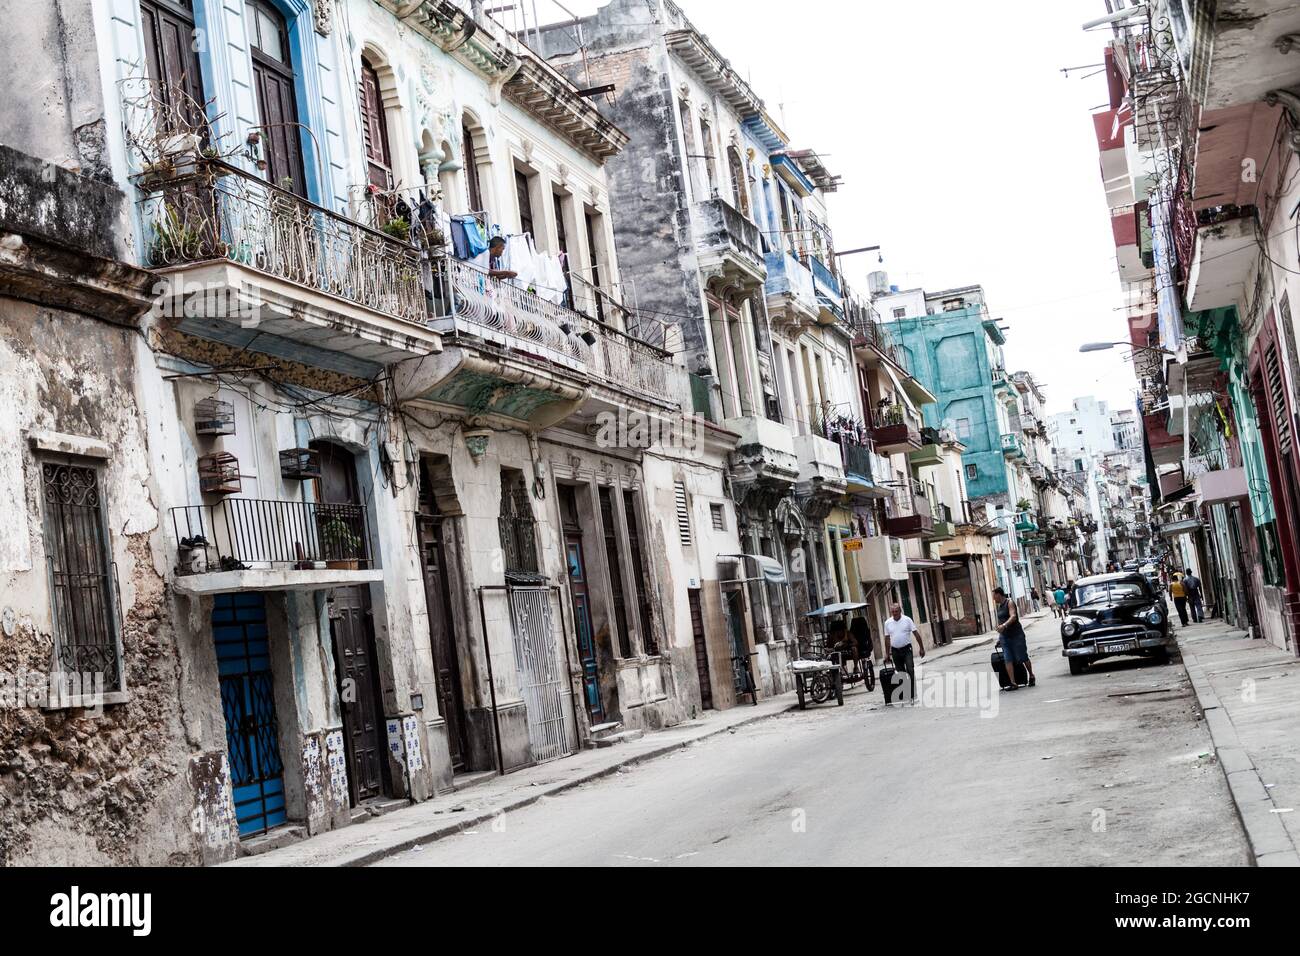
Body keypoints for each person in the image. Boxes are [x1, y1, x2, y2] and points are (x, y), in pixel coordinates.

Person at [994, 586, 1035, 690]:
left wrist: (1004, 626)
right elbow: (1000, 622)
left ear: (999, 594)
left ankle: (1031, 675)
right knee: (1007, 659)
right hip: (1005, 637)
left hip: (1016, 635)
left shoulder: (1010, 602)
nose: (993, 598)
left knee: (1022, 656)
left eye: (994, 595)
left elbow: (1013, 616)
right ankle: (1013, 683)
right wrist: (1000, 637)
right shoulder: (999, 606)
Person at [883, 603, 925, 703]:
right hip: (895, 651)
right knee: (901, 673)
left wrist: (921, 648)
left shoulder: (907, 620)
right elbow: (887, 638)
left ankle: (913, 695)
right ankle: (907, 694)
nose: (894, 614)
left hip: (907, 649)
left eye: (896, 611)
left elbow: (916, 634)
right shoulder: (888, 623)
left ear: (900, 611)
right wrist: (887, 654)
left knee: (910, 669)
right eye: (892, 612)